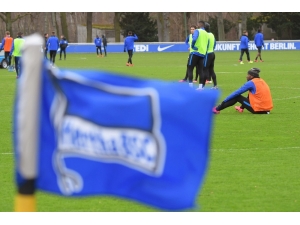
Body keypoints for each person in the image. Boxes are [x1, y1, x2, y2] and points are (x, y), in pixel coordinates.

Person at [187, 21, 209, 90]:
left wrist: (192, 46)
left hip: (195, 53)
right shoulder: (206, 33)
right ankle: (200, 87)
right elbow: (207, 44)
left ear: (199, 25)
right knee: (200, 70)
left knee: (190, 68)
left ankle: (190, 87)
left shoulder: (197, 31)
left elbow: (194, 39)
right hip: (202, 54)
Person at [203, 23, 218, 89]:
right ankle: (215, 85)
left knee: (204, 69)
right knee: (211, 70)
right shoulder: (212, 34)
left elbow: (205, 44)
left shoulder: (205, 35)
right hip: (212, 53)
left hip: (207, 54)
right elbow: (214, 43)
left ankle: (202, 86)